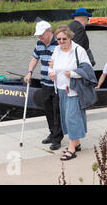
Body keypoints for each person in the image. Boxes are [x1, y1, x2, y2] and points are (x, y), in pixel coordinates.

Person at [48, 25, 91, 161]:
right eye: (58, 39)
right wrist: (51, 73)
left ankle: (72, 148)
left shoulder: (78, 50)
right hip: (60, 88)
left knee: (71, 117)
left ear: (70, 37)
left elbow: (88, 70)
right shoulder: (57, 50)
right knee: (67, 117)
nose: (61, 41)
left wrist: (72, 73)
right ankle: (76, 143)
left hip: (74, 89)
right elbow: (52, 66)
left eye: (64, 39)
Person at [25, 20, 63, 150]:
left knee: (57, 110)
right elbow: (35, 58)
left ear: (49, 31)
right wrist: (30, 72)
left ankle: (57, 139)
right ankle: (52, 133)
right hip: (45, 83)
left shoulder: (59, 43)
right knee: (48, 110)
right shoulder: (39, 44)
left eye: (42, 34)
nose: (40, 37)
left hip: (57, 84)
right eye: (38, 35)